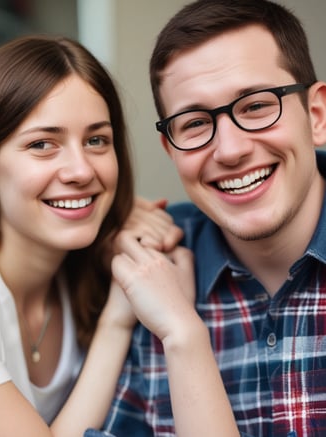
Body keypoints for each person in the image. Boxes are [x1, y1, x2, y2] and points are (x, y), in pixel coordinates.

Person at [97, 1, 326, 437]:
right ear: (172, 150)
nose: (229, 150)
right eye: (196, 123)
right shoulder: (157, 271)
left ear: (315, 116)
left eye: (257, 106)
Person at [0, 34, 183, 437]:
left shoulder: (85, 269)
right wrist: (116, 320)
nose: (80, 170)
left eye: (96, 140)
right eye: (43, 144)